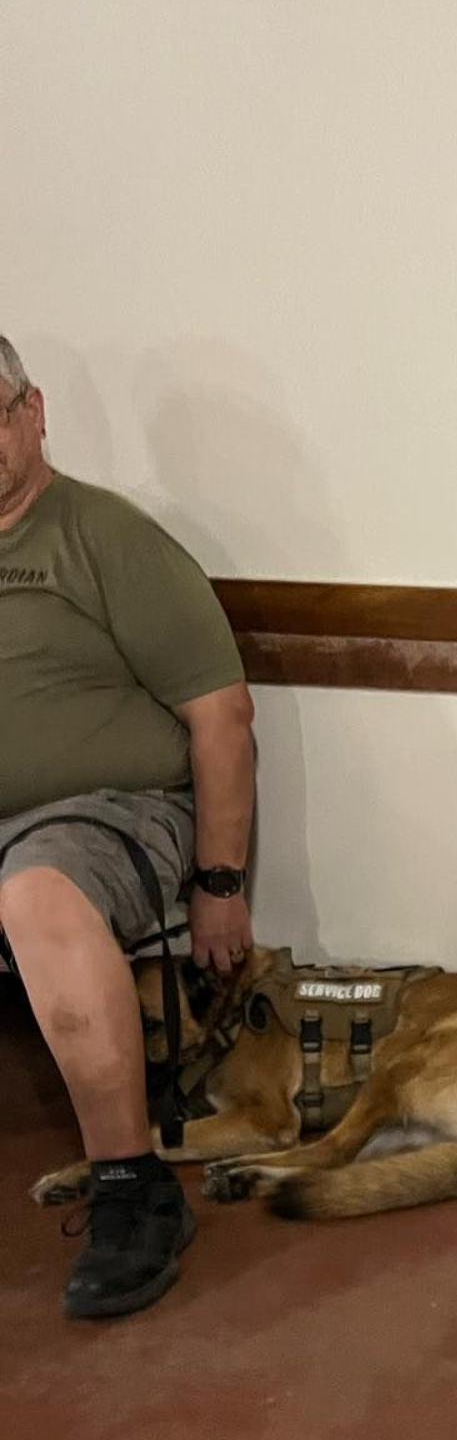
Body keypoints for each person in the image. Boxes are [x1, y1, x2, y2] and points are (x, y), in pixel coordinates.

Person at [0, 333, 256, 1319]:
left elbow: (221, 716)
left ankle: (129, 1184)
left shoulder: (103, 537)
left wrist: (221, 883)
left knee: (38, 891)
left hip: (108, 815)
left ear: (32, 412)